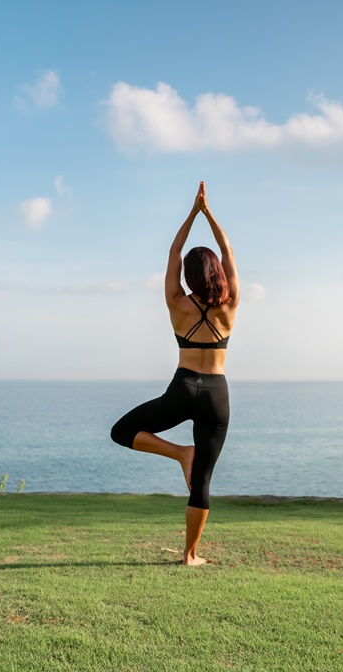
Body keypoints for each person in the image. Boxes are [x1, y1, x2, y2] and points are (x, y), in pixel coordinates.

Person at [110, 181, 238, 566]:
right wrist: (209, 213)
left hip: (183, 387)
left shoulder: (175, 301)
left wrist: (192, 213)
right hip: (216, 393)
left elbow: (174, 250)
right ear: (216, 272)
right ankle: (190, 555)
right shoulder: (230, 304)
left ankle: (181, 453)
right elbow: (228, 249)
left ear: (189, 275)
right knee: (203, 480)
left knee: (121, 431)